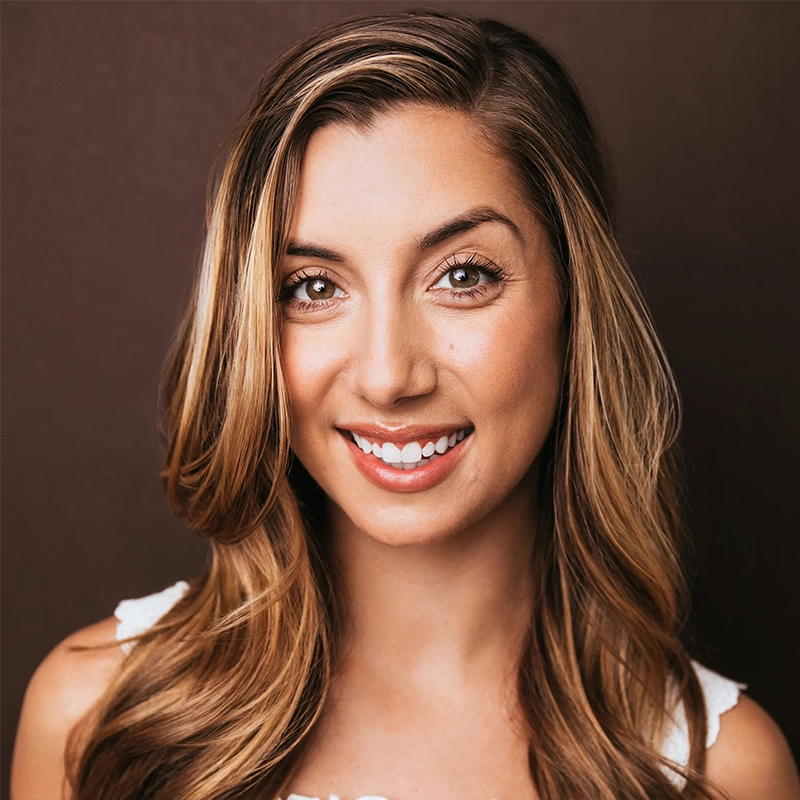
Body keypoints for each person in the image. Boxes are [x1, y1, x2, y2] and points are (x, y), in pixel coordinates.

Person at [10, 9, 800, 800]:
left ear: (576, 303)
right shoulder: (99, 721)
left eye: (463, 276)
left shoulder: (718, 775)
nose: (388, 376)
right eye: (313, 287)